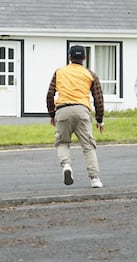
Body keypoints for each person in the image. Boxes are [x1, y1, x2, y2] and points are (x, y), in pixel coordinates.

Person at [46, 45, 105, 188]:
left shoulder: (59, 72)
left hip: (63, 110)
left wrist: (52, 114)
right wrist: (99, 119)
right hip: (82, 110)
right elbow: (98, 98)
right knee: (88, 146)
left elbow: (50, 94)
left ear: (69, 57)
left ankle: (66, 165)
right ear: (84, 58)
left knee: (62, 142)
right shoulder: (90, 74)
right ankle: (94, 179)